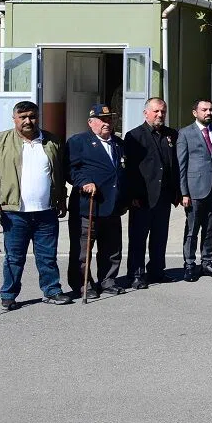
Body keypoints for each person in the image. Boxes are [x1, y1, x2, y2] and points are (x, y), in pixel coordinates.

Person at [0, 101, 72, 309]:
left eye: (32, 116)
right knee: (14, 257)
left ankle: (52, 290)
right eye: (22, 117)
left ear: (37, 117)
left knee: (48, 256)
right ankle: (9, 294)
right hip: (15, 212)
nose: (28, 121)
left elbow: (59, 174)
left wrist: (62, 200)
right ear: (14, 119)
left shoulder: (52, 141)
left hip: (46, 211)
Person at [67, 103, 127, 300]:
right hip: (88, 204)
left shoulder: (118, 143)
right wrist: (84, 182)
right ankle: (82, 284)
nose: (107, 123)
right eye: (103, 119)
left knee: (111, 248)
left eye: (110, 119)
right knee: (83, 250)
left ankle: (108, 280)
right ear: (91, 122)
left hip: (112, 205)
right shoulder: (79, 141)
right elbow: (71, 169)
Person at [123, 97, 180, 288]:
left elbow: (175, 166)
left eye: (163, 111)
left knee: (160, 236)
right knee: (138, 238)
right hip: (143, 196)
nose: (160, 115)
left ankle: (157, 270)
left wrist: (177, 191)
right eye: (156, 111)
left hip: (164, 196)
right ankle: (136, 274)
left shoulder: (171, 134)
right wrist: (133, 196)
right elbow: (130, 170)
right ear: (146, 112)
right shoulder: (134, 136)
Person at [177, 99, 212, 281]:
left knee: (209, 230)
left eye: (210, 109)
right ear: (195, 113)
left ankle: (207, 262)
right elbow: (181, 165)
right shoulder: (184, 134)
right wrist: (183, 192)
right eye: (204, 109)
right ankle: (190, 265)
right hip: (194, 190)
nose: (208, 112)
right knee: (192, 230)